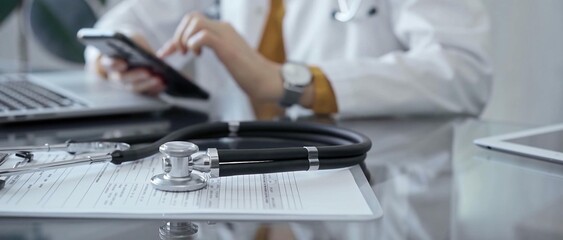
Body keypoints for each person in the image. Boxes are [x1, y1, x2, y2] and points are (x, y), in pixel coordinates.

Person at [85, 0, 492, 121]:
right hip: (236, 171)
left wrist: (288, 81)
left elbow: (462, 72)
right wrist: (117, 58)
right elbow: (129, 18)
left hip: (377, 178)